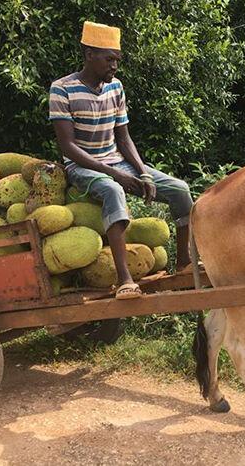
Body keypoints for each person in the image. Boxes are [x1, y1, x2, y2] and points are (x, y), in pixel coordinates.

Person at [49, 21, 193, 299]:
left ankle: (185, 263)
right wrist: (116, 176)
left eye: (117, 59)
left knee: (180, 190)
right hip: (82, 167)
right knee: (114, 190)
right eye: (109, 59)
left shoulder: (115, 87)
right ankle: (125, 280)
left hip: (118, 161)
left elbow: (124, 139)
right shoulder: (62, 89)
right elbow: (67, 146)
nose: (114, 65)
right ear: (89, 54)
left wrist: (143, 173)